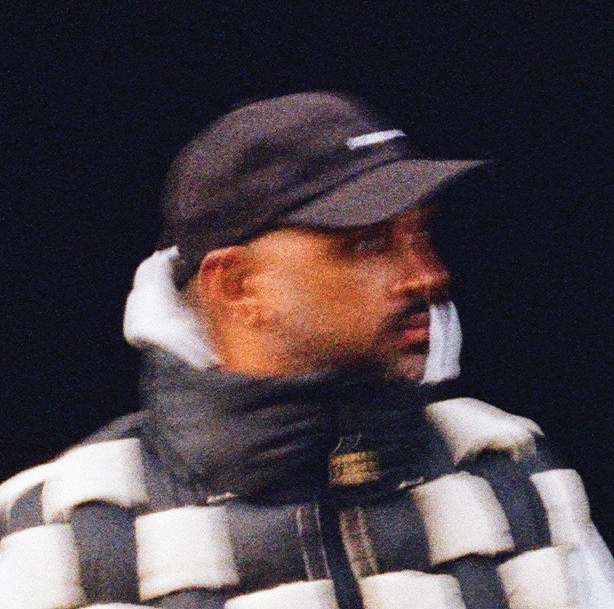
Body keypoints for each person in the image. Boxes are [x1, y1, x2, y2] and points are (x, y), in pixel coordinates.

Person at [1, 91, 613, 609]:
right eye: (368, 244)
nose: (428, 275)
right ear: (239, 286)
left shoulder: (511, 472)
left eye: (421, 234)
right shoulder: (59, 530)